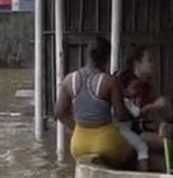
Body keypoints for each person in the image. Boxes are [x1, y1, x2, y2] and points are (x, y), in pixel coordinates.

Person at [57, 37, 133, 168]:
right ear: (107, 58)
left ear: (87, 55)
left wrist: (76, 127)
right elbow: (121, 115)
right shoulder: (110, 81)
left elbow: (59, 112)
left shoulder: (69, 79)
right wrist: (134, 115)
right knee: (133, 152)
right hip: (106, 143)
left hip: (78, 144)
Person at [114, 46, 167, 172]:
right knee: (166, 144)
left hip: (139, 131)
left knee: (164, 158)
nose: (153, 64)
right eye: (149, 60)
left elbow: (154, 114)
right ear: (137, 63)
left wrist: (163, 126)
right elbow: (131, 113)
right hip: (126, 130)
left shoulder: (147, 85)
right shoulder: (125, 81)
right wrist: (153, 106)